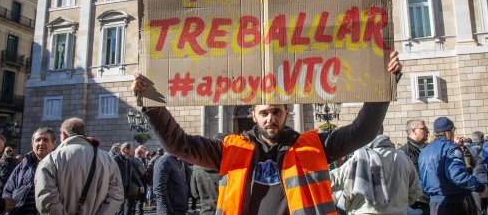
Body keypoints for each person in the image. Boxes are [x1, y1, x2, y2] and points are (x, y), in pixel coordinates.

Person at [132, 51, 402, 214]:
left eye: (276, 112)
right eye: (264, 113)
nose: (270, 119)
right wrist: (151, 105)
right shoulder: (230, 148)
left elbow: (362, 132)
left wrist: (383, 88)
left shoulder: (313, 145)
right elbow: (180, 145)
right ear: (253, 115)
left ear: (286, 113)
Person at [34, 117, 124, 214]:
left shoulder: (51, 159)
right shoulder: (108, 159)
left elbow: (46, 197)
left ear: (63, 134)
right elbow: (116, 195)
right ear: (84, 133)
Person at [330, 133, 422, 214]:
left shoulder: (361, 158)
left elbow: (331, 181)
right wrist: (398, 204)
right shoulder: (404, 158)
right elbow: (416, 192)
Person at [418, 117, 488, 215]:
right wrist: (481, 187)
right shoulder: (450, 147)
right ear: (450, 131)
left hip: (433, 204)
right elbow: (458, 175)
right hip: (452, 203)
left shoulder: (425, 150)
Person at [2, 128, 57, 215]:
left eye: (46, 140)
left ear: (54, 144)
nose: (41, 143)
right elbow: (8, 190)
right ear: (32, 144)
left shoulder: (59, 166)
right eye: (38, 140)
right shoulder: (23, 166)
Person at [399, 119, 430, 215]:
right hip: (416, 205)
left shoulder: (430, 149)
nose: (427, 131)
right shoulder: (403, 153)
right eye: (423, 129)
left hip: (432, 201)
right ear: (413, 131)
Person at [190, 134, 223, 215]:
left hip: (206, 211)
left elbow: (194, 194)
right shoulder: (228, 168)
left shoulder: (196, 168)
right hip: (224, 211)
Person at [114, 142, 144, 215]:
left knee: (124, 209)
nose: (133, 150)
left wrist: (140, 185)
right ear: (126, 150)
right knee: (120, 210)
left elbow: (133, 174)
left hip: (127, 189)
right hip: (118, 189)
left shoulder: (129, 160)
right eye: (131, 149)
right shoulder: (116, 159)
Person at [133, 145, 149, 214]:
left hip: (144, 182)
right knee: (136, 199)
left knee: (142, 199)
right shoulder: (133, 160)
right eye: (143, 151)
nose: (144, 152)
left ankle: (140, 211)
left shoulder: (144, 159)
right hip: (137, 182)